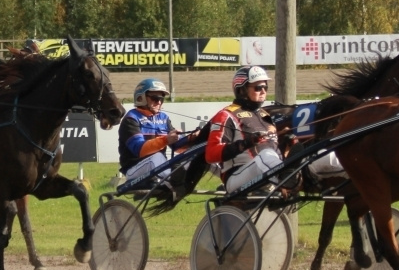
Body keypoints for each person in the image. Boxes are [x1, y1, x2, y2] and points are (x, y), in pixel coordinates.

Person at [205, 66, 285, 196]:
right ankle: (286, 179)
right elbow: (210, 154)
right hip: (237, 177)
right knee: (266, 155)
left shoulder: (265, 116)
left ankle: (288, 177)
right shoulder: (226, 115)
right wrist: (244, 144)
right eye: (258, 88)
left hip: (266, 175)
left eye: (266, 87)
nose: (263, 91)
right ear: (242, 90)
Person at [118, 78, 192, 184]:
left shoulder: (164, 118)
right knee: (156, 156)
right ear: (141, 97)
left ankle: (224, 182)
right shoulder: (131, 119)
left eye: (161, 99)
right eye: (155, 98)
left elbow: (178, 147)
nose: (158, 102)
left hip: (158, 167)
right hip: (134, 169)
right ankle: (173, 181)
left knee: (198, 151)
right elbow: (140, 150)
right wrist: (166, 139)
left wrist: (195, 138)